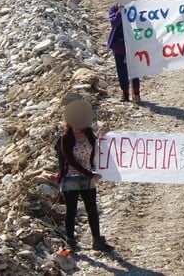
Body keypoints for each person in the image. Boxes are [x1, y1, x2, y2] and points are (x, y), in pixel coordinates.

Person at [57, 98, 113, 253]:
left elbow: (96, 149)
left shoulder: (88, 133)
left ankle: (97, 240)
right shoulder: (65, 138)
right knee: (71, 211)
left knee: (92, 210)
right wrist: (90, 173)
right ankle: (70, 241)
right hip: (71, 178)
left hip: (88, 177)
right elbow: (70, 161)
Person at [107, 5, 141, 104]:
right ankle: (125, 93)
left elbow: (138, 22)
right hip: (118, 45)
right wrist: (119, 13)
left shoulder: (132, 9)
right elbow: (114, 23)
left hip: (132, 43)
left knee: (134, 70)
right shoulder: (114, 9)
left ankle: (136, 93)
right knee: (121, 69)